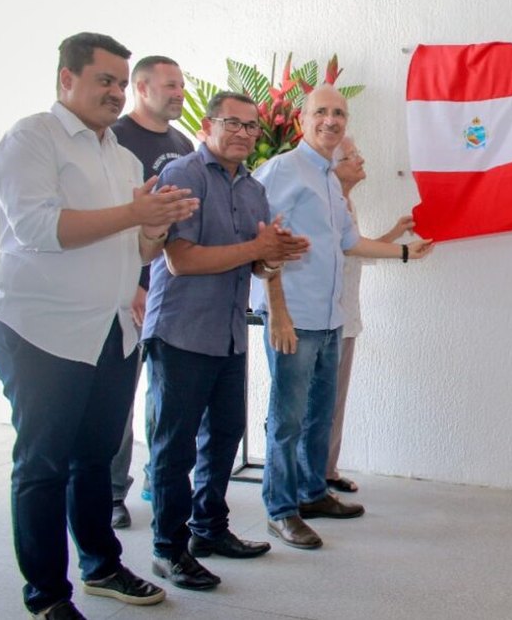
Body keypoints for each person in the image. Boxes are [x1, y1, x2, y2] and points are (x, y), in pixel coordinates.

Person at [0, 31, 199, 619]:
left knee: (94, 460)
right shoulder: (32, 138)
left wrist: (155, 227)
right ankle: (47, 595)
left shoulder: (121, 157)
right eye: (105, 80)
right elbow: (39, 229)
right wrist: (136, 212)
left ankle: (101, 564)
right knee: (42, 465)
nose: (115, 92)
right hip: (40, 330)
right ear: (66, 79)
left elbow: (136, 251)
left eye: (121, 83)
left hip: (110, 329)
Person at [250, 86, 433, 550]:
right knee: (286, 419)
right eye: (322, 112)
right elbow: (262, 247)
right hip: (295, 318)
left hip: (330, 318)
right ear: (302, 120)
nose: (331, 121)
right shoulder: (280, 171)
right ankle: (280, 509)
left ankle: (313, 493)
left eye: (339, 114)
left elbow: (350, 243)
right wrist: (278, 315)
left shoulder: (330, 180)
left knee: (317, 417)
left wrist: (407, 251)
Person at [143, 91, 310, 590]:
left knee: (225, 436)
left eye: (252, 127)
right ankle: (166, 549)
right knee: (175, 448)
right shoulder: (184, 176)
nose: (243, 133)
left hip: (229, 335)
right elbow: (181, 260)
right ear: (206, 125)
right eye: (232, 124)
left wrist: (276, 253)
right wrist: (257, 248)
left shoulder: (254, 190)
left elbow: (255, 263)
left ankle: (209, 530)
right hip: (182, 331)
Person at [108, 55, 196, 529]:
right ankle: (110, 494)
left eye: (181, 84)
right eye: (170, 85)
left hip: (169, 292)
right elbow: (117, 217)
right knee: (118, 398)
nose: (180, 92)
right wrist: (136, 285)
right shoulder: (117, 140)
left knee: (161, 395)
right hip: (130, 288)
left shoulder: (182, 143)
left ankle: (154, 476)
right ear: (141, 88)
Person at [324, 135, 415, 495]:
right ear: (333, 165)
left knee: (336, 401)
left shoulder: (348, 201)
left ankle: (327, 472)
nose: (361, 160)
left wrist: (395, 232)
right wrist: (404, 249)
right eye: (352, 155)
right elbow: (346, 251)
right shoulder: (327, 201)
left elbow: (356, 249)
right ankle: (310, 481)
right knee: (321, 404)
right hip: (325, 318)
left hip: (346, 316)